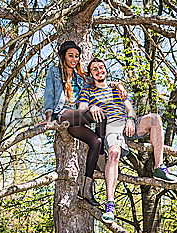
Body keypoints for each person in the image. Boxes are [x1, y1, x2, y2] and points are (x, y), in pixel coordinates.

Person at [78, 58, 177, 223]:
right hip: (110, 126)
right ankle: (110, 204)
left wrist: (131, 120)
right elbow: (81, 109)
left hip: (127, 124)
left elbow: (130, 109)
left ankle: (159, 167)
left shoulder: (116, 88)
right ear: (90, 74)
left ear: (105, 70)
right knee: (114, 153)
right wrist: (91, 107)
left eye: (101, 67)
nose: (99, 70)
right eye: (94, 69)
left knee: (155, 119)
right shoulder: (88, 91)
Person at [41, 41, 126, 206]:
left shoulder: (82, 75)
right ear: (63, 56)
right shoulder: (54, 71)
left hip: (77, 120)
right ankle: (104, 156)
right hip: (64, 114)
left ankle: (86, 188)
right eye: (70, 55)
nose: (74, 59)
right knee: (101, 113)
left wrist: (118, 84)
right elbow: (49, 94)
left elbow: (101, 81)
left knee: (96, 141)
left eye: (77, 56)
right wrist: (49, 117)